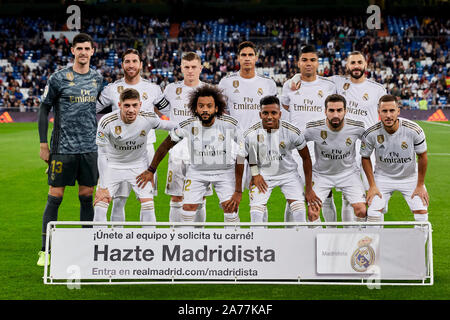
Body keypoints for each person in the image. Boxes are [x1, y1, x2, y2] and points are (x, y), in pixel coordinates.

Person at [289, 51, 386, 224]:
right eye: (352, 63)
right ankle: (342, 235)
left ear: (366, 64)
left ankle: (367, 237)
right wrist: (296, 77)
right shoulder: (336, 82)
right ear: (347, 66)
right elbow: (310, 75)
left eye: (359, 62)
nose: (356, 66)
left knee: (372, 195)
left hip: (366, 148)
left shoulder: (377, 89)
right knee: (345, 197)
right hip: (341, 144)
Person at [37, 33, 104, 266]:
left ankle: (85, 249)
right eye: (80, 48)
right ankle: (45, 251)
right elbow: (44, 110)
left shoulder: (98, 79)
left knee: (87, 198)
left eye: (87, 48)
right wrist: (43, 144)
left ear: (93, 51)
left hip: (89, 148)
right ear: (73, 51)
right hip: (62, 148)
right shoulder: (58, 78)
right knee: (55, 198)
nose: (84, 52)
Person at [137, 84, 245, 226]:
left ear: (216, 108)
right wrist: (151, 170)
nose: (205, 109)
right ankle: (187, 243)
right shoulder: (188, 125)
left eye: (209, 106)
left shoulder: (230, 124)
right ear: (195, 108)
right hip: (197, 171)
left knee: (230, 209)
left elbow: (243, 153)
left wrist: (238, 190)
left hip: (224, 171)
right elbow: (165, 145)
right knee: (187, 208)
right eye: (201, 106)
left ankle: (234, 245)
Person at [96, 48, 162, 223]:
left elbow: (169, 111)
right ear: (122, 64)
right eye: (127, 61)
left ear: (141, 64)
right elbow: (92, 110)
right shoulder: (111, 89)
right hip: (118, 151)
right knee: (118, 200)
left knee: (147, 200)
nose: (131, 65)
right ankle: (117, 243)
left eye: (134, 61)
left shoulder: (153, 89)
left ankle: (146, 243)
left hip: (146, 150)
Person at [93, 88, 176, 226]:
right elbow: (101, 154)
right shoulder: (106, 121)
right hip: (113, 166)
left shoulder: (148, 117)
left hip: (139, 167)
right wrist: (102, 186)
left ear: (140, 105)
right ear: (119, 105)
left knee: (148, 207)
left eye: (134, 105)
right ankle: (102, 244)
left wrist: (187, 128)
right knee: (100, 206)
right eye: (127, 105)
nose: (131, 110)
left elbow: (169, 125)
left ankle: (148, 243)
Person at [218, 41, 278, 221]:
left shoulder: (268, 83)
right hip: (234, 146)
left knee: (259, 197)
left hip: (260, 147)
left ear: (256, 58)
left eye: (250, 55)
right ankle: (234, 239)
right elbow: (222, 114)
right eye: (243, 55)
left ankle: (262, 237)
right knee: (230, 198)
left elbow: (273, 116)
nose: (247, 58)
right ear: (238, 58)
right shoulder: (226, 82)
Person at [280, 45, 337, 224]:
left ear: (318, 63)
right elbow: (285, 111)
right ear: (298, 63)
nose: (308, 63)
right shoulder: (289, 86)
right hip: (296, 148)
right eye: (304, 60)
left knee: (326, 196)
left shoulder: (329, 86)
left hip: (321, 147)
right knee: (293, 198)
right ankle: (291, 237)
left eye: (312, 60)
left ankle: (331, 236)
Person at [153, 52, 211, 223]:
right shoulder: (171, 89)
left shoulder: (208, 90)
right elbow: (160, 109)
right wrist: (170, 122)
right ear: (181, 68)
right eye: (186, 67)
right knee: (176, 197)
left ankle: (199, 237)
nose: (190, 70)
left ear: (200, 68)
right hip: (176, 150)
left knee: (200, 198)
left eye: (194, 67)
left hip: (203, 151)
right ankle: (176, 236)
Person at [244, 95, 320, 226]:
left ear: (280, 114)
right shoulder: (251, 133)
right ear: (260, 114)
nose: (269, 116)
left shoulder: (292, 132)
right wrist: (255, 174)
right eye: (265, 113)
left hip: (288, 174)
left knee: (300, 213)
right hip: (264, 175)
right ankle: (259, 245)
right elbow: (246, 153)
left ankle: (295, 243)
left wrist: (308, 188)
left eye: (273, 113)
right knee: (256, 215)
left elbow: (306, 158)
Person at [361, 94, 429, 228]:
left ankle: (419, 248)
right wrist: (372, 185)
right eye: (384, 111)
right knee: (373, 213)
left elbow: (423, 156)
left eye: (392, 111)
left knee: (422, 214)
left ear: (398, 111)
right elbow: (365, 157)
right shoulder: (371, 133)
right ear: (378, 112)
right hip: (383, 177)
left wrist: (420, 185)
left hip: (410, 177)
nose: (388, 115)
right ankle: (374, 248)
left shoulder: (414, 130)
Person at [304, 94, 367, 225]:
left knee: (361, 210)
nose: (335, 114)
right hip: (322, 175)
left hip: (349, 174)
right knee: (312, 214)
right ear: (325, 111)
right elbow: (295, 143)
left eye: (339, 110)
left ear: (345, 111)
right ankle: (325, 241)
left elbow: (372, 143)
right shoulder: (313, 128)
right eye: (331, 110)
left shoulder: (357, 127)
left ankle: (355, 243)